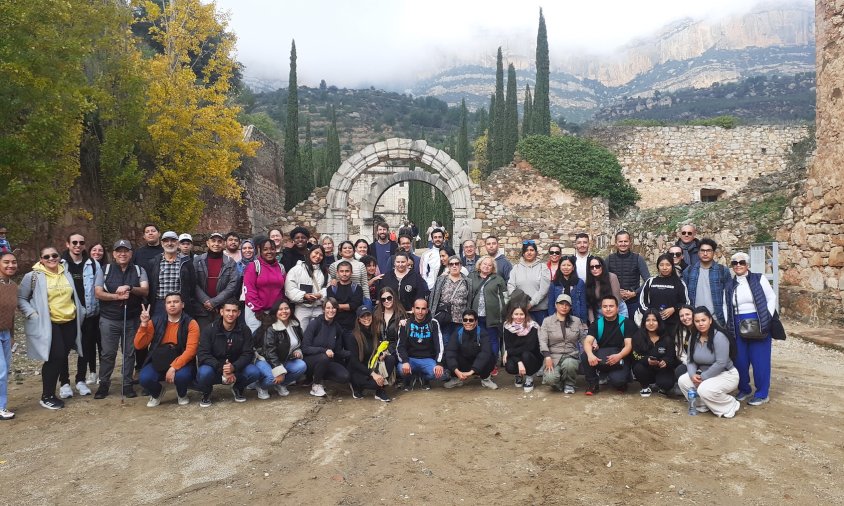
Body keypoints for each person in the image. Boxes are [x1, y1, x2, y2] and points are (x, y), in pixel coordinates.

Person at [18, 246, 84, 409]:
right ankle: (47, 395)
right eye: (46, 257)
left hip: (69, 321)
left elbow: (73, 294)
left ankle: (55, 390)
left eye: (54, 255)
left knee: (62, 356)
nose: (51, 259)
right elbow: (21, 298)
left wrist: (80, 310)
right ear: (41, 259)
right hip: (49, 322)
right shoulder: (33, 276)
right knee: (55, 357)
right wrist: (33, 314)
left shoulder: (65, 271)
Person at [94, 240, 149, 399]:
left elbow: (145, 290)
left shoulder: (139, 270)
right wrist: (115, 296)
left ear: (131, 253)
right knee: (108, 353)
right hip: (109, 319)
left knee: (129, 353)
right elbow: (98, 292)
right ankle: (104, 383)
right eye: (119, 251)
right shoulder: (105, 269)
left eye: (126, 251)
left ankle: (127, 384)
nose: (122, 254)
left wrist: (130, 288)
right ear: (114, 254)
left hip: (131, 318)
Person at [724, 251, 777, 407]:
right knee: (740, 360)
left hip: (759, 322)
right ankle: (744, 389)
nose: (738, 265)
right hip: (737, 323)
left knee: (760, 360)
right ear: (732, 266)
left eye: (742, 262)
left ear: (748, 265)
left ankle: (762, 393)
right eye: (735, 263)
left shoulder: (759, 279)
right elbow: (725, 306)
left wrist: (766, 319)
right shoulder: (729, 285)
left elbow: (771, 298)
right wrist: (729, 324)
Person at [134, 293, 199, 407]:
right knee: (144, 378)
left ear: (182, 305)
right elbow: (139, 345)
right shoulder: (155, 321)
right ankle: (157, 392)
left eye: (176, 302)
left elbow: (191, 350)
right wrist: (143, 324)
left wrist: (174, 367)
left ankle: (182, 393)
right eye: (169, 302)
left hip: (181, 360)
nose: (172, 305)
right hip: (159, 359)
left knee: (182, 377)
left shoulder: (191, 323)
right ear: (165, 306)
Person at [677, 307, 740, 418]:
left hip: (726, 374)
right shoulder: (694, 336)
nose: (700, 324)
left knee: (704, 389)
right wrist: (692, 375)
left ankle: (730, 404)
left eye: (703, 320)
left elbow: (721, 363)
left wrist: (703, 377)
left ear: (710, 320)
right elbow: (690, 360)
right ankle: (703, 405)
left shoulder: (719, 336)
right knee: (683, 381)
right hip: (704, 374)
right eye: (697, 321)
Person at [196, 300, 261, 407]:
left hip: (236, 368)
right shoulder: (209, 330)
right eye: (228, 310)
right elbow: (203, 354)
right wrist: (222, 368)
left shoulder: (245, 330)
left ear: (239, 313)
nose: (231, 314)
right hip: (214, 368)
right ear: (221, 312)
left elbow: (248, 353)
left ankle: (238, 388)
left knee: (253, 372)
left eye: (234, 311)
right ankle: (206, 392)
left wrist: (233, 367)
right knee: (204, 373)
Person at [61, 233, 100, 395]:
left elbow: (98, 288)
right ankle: (64, 383)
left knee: (85, 348)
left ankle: (81, 380)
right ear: (67, 244)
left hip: (88, 314)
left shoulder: (93, 264)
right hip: (66, 314)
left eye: (81, 242)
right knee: (63, 350)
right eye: (74, 242)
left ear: (85, 245)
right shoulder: (60, 264)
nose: (78, 245)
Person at [580, 296, 637, 395]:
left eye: (611, 306)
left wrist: (619, 356)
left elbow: (629, 345)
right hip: (603, 356)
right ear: (601, 309)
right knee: (585, 355)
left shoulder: (627, 323)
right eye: (605, 306)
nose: (608, 309)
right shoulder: (597, 324)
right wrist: (590, 355)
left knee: (618, 381)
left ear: (617, 308)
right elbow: (588, 342)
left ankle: (622, 379)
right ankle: (593, 383)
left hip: (620, 356)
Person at [253, 300, 308, 398]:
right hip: (265, 359)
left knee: (301, 366)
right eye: (280, 309)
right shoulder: (271, 327)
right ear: (275, 312)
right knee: (271, 377)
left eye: (286, 308)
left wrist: (297, 351)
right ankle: (261, 386)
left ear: (290, 310)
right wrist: (279, 371)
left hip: (283, 359)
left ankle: (280, 384)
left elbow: (299, 343)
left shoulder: (295, 324)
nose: (284, 311)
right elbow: (269, 352)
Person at [302, 298, 350, 397]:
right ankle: (316, 385)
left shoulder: (336, 327)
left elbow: (338, 350)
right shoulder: (315, 323)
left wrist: (353, 354)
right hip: (310, 361)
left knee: (345, 376)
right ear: (323, 309)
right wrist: (324, 350)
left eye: (333, 308)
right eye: (328, 308)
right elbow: (305, 348)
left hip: (326, 361)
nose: (331, 310)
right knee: (324, 357)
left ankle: (320, 377)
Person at [396, 298, 446, 390]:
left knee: (438, 373)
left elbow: (439, 345)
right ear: (413, 309)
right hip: (411, 359)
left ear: (427, 310)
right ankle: (409, 378)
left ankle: (424, 378)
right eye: (417, 308)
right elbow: (400, 346)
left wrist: (439, 363)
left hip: (427, 359)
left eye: (423, 309)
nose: (420, 311)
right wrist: (405, 361)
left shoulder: (433, 323)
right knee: (400, 369)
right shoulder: (405, 324)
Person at [193, 232, 240, 330]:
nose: (216, 244)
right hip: (202, 308)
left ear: (223, 244)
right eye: (213, 241)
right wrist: (206, 300)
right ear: (207, 243)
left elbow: (232, 285)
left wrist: (214, 302)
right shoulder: (198, 260)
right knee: (204, 337)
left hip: (222, 308)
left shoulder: (230, 262)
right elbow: (194, 283)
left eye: (219, 241)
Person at [467, 256, 508, 368]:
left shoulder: (498, 279)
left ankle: (492, 364)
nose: (486, 266)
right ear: (479, 265)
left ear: (493, 268)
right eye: (484, 264)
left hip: (492, 316)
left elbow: (504, 297)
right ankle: (479, 365)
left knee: (492, 340)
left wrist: (504, 313)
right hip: (475, 316)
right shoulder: (471, 277)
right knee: (477, 340)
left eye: (490, 265)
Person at [345, 306, 392, 402]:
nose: (366, 318)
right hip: (358, 369)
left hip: (371, 365)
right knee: (374, 383)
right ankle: (355, 385)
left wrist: (381, 354)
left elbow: (376, 350)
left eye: (368, 315)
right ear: (358, 319)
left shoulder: (375, 332)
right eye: (363, 316)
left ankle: (379, 391)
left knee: (391, 359)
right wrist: (373, 374)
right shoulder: (353, 336)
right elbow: (354, 362)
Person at [443, 309, 497, 390]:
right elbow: (451, 351)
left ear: (476, 321)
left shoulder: (482, 333)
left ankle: (486, 379)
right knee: (447, 355)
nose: (468, 322)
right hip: (464, 362)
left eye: (471, 320)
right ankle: (456, 378)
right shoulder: (457, 332)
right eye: (465, 320)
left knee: (489, 356)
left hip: (478, 364)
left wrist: (471, 372)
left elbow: (485, 353)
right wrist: (456, 371)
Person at [146, 231, 197, 317]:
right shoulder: (154, 262)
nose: (169, 243)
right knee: (159, 330)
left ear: (177, 243)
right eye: (166, 241)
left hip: (179, 304)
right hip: (159, 304)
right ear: (162, 243)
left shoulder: (186, 263)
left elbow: (192, 285)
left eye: (173, 240)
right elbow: (150, 285)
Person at [638, 253, 690, 336]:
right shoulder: (651, 281)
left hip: (673, 324)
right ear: (658, 266)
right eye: (661, 265)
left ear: (672, 266)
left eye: (668, 265)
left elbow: (686, 303)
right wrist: (652, 314)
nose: (664, 268)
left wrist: (674, 309)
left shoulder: (679, 283)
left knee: (671, 347)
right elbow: (642, 302)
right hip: (653, 324)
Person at [539, 294, 582, 394]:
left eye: (567, 304)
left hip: (571, 355)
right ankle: (559, 383)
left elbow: (583, 338)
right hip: (553, 356)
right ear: (556, 305)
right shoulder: (547, 321)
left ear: (570, 307)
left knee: (569, 364)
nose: (564, 307)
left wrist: (591, 345)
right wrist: (547, 357)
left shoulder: (576, 321)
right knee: (551, 379)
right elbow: (543, 341)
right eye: (561, 304)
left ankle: (569, 384)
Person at [682, 238, 731, 328]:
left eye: (708, 251)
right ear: (698, 252)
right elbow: (684, 295)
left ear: (713, 253)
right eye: (702, 250)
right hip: (696, 319)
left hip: (718, 319)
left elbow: (729, 295)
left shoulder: (722, 270)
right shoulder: (689, 271)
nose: (705, 253)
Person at [243, 235, 285, 333]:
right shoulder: (253, 266)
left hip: (274, 312)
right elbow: (249, 290)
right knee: (256, 340)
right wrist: (259, 311)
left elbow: (283, 290)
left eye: (272, 249)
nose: (269, 252)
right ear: (260, 251)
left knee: (273, 340)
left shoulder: (281, 268)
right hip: (256, 312)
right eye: (265, 249)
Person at [631, 309, 677, 397]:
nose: (651, 323)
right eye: (648, 320)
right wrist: (646, 360)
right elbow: (635, 355)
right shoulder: (638, 336)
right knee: (638, 367)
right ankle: (645, 386)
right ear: (644, 322)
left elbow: (672, 356)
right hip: (646, 368)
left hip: (662, 369)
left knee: (666, 384)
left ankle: (662, 387)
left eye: (654, 320)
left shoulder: (666, 337)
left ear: (659, 322)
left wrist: (665, 361)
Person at [606, 230, 651, 318]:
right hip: (614, 302)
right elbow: (602, 279)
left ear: (630, 242)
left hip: (633, 302)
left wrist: (634, 293)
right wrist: (615, 292)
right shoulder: (609, 259)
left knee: (633, 328)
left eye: (625, 241)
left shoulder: (638, 259)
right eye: (620, 241)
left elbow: (648, 280)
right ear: (616, 243)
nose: (623, 244)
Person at [429, 255, 471, 345]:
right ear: (448, 266)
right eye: (451, 264)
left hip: (460, 318)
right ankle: (445, 359)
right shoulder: (441, 280)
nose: (454, 266)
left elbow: (469, 299)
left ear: (460, 266)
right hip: (445, 317)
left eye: (457, 264)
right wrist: (432, 314)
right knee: (445, 341)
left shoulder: (467, 281)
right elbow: (433, 297)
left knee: (459, 342)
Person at [284, 245, 327, 330]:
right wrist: (304, 296)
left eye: (321, 255)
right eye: (316, 253)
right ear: (310, 253)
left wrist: (320, 295)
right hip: (302, 308)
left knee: (318, 333)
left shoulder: (324, 271)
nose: (318, 256)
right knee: (301, 333)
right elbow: (290, 288)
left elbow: (329, 288)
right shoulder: (296, 270)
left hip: (318, 308)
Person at [508, 240, 551, 324]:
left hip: (539, 311)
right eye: (526, 250)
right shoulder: (516, 268)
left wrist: (531, 303)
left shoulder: (543, 268)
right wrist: (519, 303)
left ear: (536, 253)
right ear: (523, 253)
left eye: (531, 250)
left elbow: (543, 290)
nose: (529, 253)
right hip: (520, 311)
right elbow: (511, 286)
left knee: (539, 335)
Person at [502, 305, 542, 393]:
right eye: (516, 314)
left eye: (521, 314)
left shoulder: (532, 326)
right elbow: (509, 346)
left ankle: (529, 377)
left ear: (525, 315)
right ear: (512, 315)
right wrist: (519, 362)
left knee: (526, 354)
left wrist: (509, 351)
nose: (519, 317)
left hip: (533, 356)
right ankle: (518, 375)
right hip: (516, 356)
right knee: (509, 366)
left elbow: (530, 347)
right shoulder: (507, 326)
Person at [0, 252, 18, 419]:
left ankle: (2, 405)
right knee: (1, 370)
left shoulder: (12, 285)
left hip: (6, 332)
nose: (10, 265)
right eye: (6, 262)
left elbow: (11, 313)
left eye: (13, 262)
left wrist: (12, 334)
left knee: (5, 370)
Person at [585, 257, 627, 323]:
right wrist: (592, 321)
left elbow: (617, 300)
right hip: (600, 311)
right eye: (591, 267)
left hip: (617, 310)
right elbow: (590, 304)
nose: (594, 269)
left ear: (602, 266)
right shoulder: (589, 282)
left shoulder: (612, 277)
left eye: (597, 266)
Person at [546, 256, 588, 322]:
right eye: (563, 265)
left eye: (569, 265)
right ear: (559, 267)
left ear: (573, 267)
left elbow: (583, 304)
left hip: (575, 317)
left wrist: (583, 321)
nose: (566, 267)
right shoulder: (554, 283)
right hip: (558, 318)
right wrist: (552, 320)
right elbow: (551, 304)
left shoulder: (579, 283)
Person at [328, 261, 364, 332]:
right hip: (335, 325)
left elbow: (355, 305)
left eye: (347, 271)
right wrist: (348, 306)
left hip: (353, 325)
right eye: (341, 271)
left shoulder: (357, 288)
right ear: (337, 273)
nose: (344, 274)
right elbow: (331, 305)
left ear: (351, 272)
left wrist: (337, 306)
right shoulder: (331, 288)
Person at [673, 305, 695, 384]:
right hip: (688, 362)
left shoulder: (701, 328)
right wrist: (689, 364)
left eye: (687, 314)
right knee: (680, 370)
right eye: (681, 316)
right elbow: (680, 352)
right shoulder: (679, 331)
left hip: (704, 364)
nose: (685, 318)